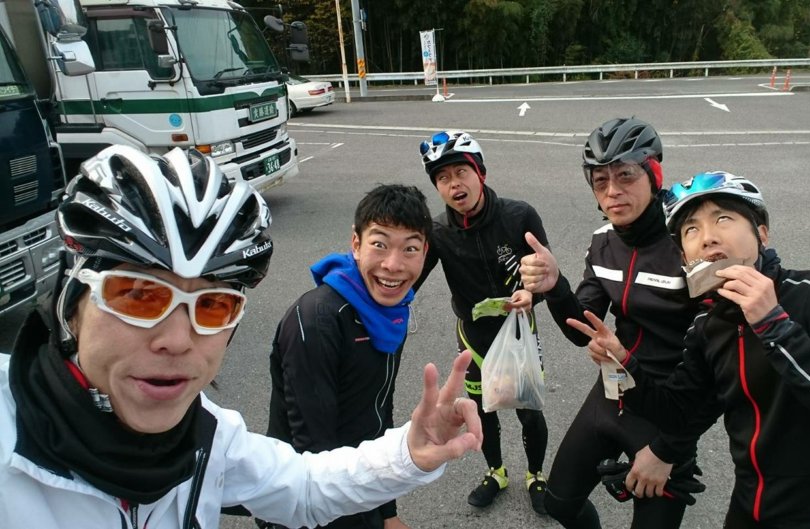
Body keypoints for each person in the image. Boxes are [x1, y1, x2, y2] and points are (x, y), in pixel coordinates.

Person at [0, 145, 482, 529]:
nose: (177, 340)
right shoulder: (7, 433)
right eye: (139, 297)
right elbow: (311, 445)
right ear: (71, 301)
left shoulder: (210, 435)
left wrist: (409, 453)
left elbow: (303, 486)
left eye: (212, 306)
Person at [567, 171, 810, 528]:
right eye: (691, 229)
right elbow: (678, 414)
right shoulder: (709, 326)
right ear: (685, 258)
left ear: (762, 233)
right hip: (751, 504)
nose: (707, 237)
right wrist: (624, 362)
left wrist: (774, 325)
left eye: (723, 218)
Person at [519, 117, 713, 529]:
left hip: (670, 408)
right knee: (559, 504)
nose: (612, 191)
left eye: (625, 176)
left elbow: (720, 364)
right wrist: (555, 285)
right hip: (614, 390)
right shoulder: (603, 241)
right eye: (600, 181)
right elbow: (580, 330)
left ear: (654, 174)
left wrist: (668, 449)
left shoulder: (689, 243)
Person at [260, 184, 433, 529]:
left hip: (361, 484)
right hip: (307, 502)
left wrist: (387, 512)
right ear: (356, 243)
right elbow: (313, 449)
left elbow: (379, 412)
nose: (393, 265)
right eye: (379, 244)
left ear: (425, 252)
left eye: (410, 248)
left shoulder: (390, 314)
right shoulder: (317, 320)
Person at [414, 130, 551, 513]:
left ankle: (536, 475)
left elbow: (546, 274)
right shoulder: (438, 232)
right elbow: (410, 280)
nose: (454, 184)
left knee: (529, 411)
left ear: (481, 173)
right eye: (443, 178)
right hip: (473, 337)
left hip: (519, 331)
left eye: (461, 172)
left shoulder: (519, 216)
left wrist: (533, 293)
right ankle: (496, 472)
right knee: (482, 409)